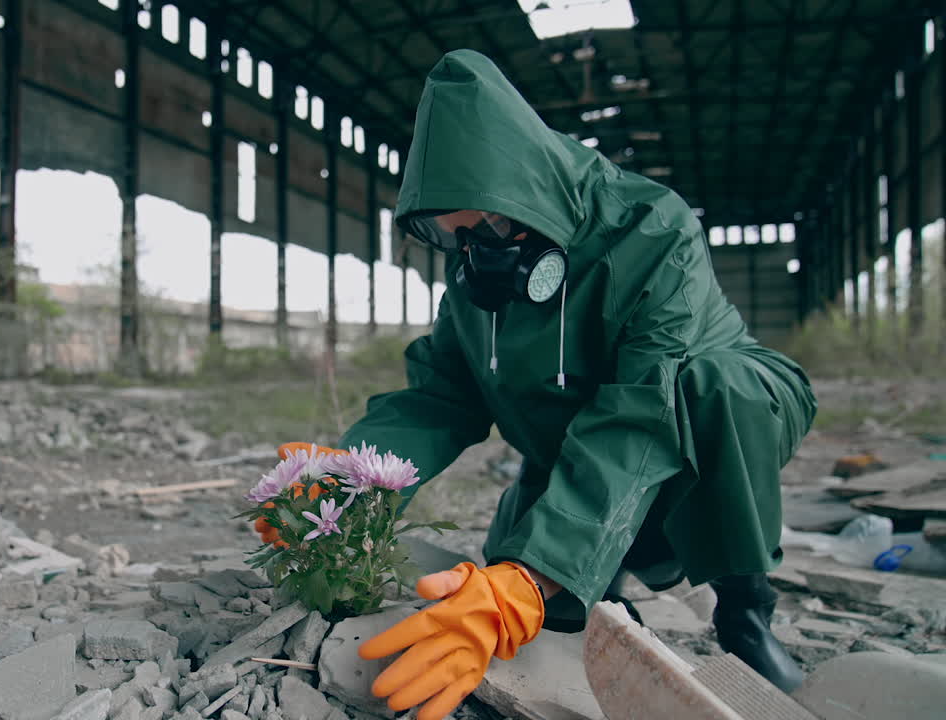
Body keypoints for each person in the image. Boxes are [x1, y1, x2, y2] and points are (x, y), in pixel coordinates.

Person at [258, 49, 817, 719]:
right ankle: (604, 594)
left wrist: (532, 575)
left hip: (702, 416)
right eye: (451, 232)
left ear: (523, 192)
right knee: (538, 598)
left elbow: (640, 413)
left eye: (485, 223)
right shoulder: (476, 267)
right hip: (574, 442)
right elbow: (442, 394)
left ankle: (745, 611)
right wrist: (346, 478)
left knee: (713, 385)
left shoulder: (653, 229)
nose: (473, 246)